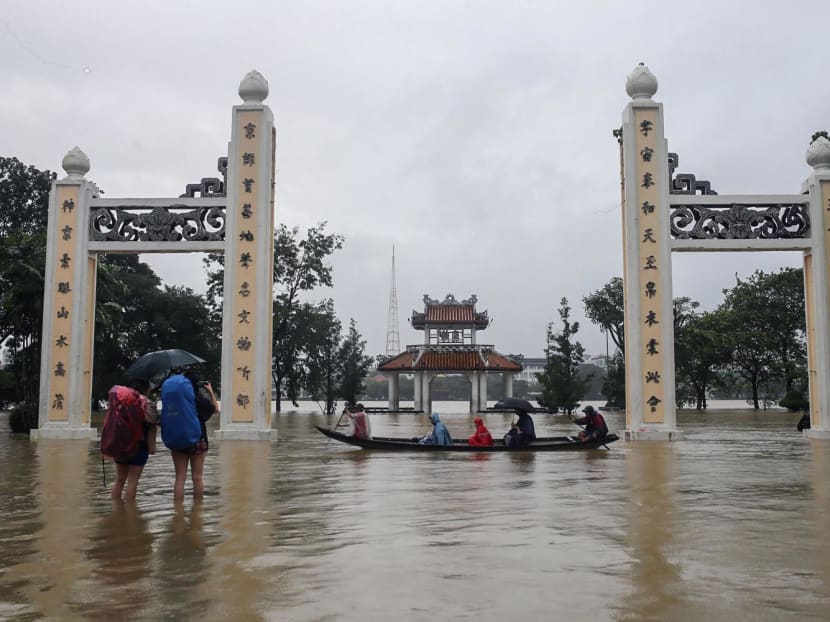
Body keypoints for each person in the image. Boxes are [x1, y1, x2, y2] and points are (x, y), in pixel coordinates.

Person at [164, 370, 218, 501]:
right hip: (198, 441)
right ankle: (197, 512)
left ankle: (178, 512)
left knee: (180, 478)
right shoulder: (199, 400)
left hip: (177, 441)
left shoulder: (175, 401)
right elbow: (215, 410)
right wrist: (210, 391)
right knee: (197, 478)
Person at [111, 377, 159, 501]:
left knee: (119, 480)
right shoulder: (147, 403)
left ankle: (116, 511)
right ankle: (130, 515)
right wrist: (152, 446)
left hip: (120, 445)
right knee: (133, 481)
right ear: (146, 388)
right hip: (139, 445)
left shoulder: (120, 400)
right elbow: (153, 423)